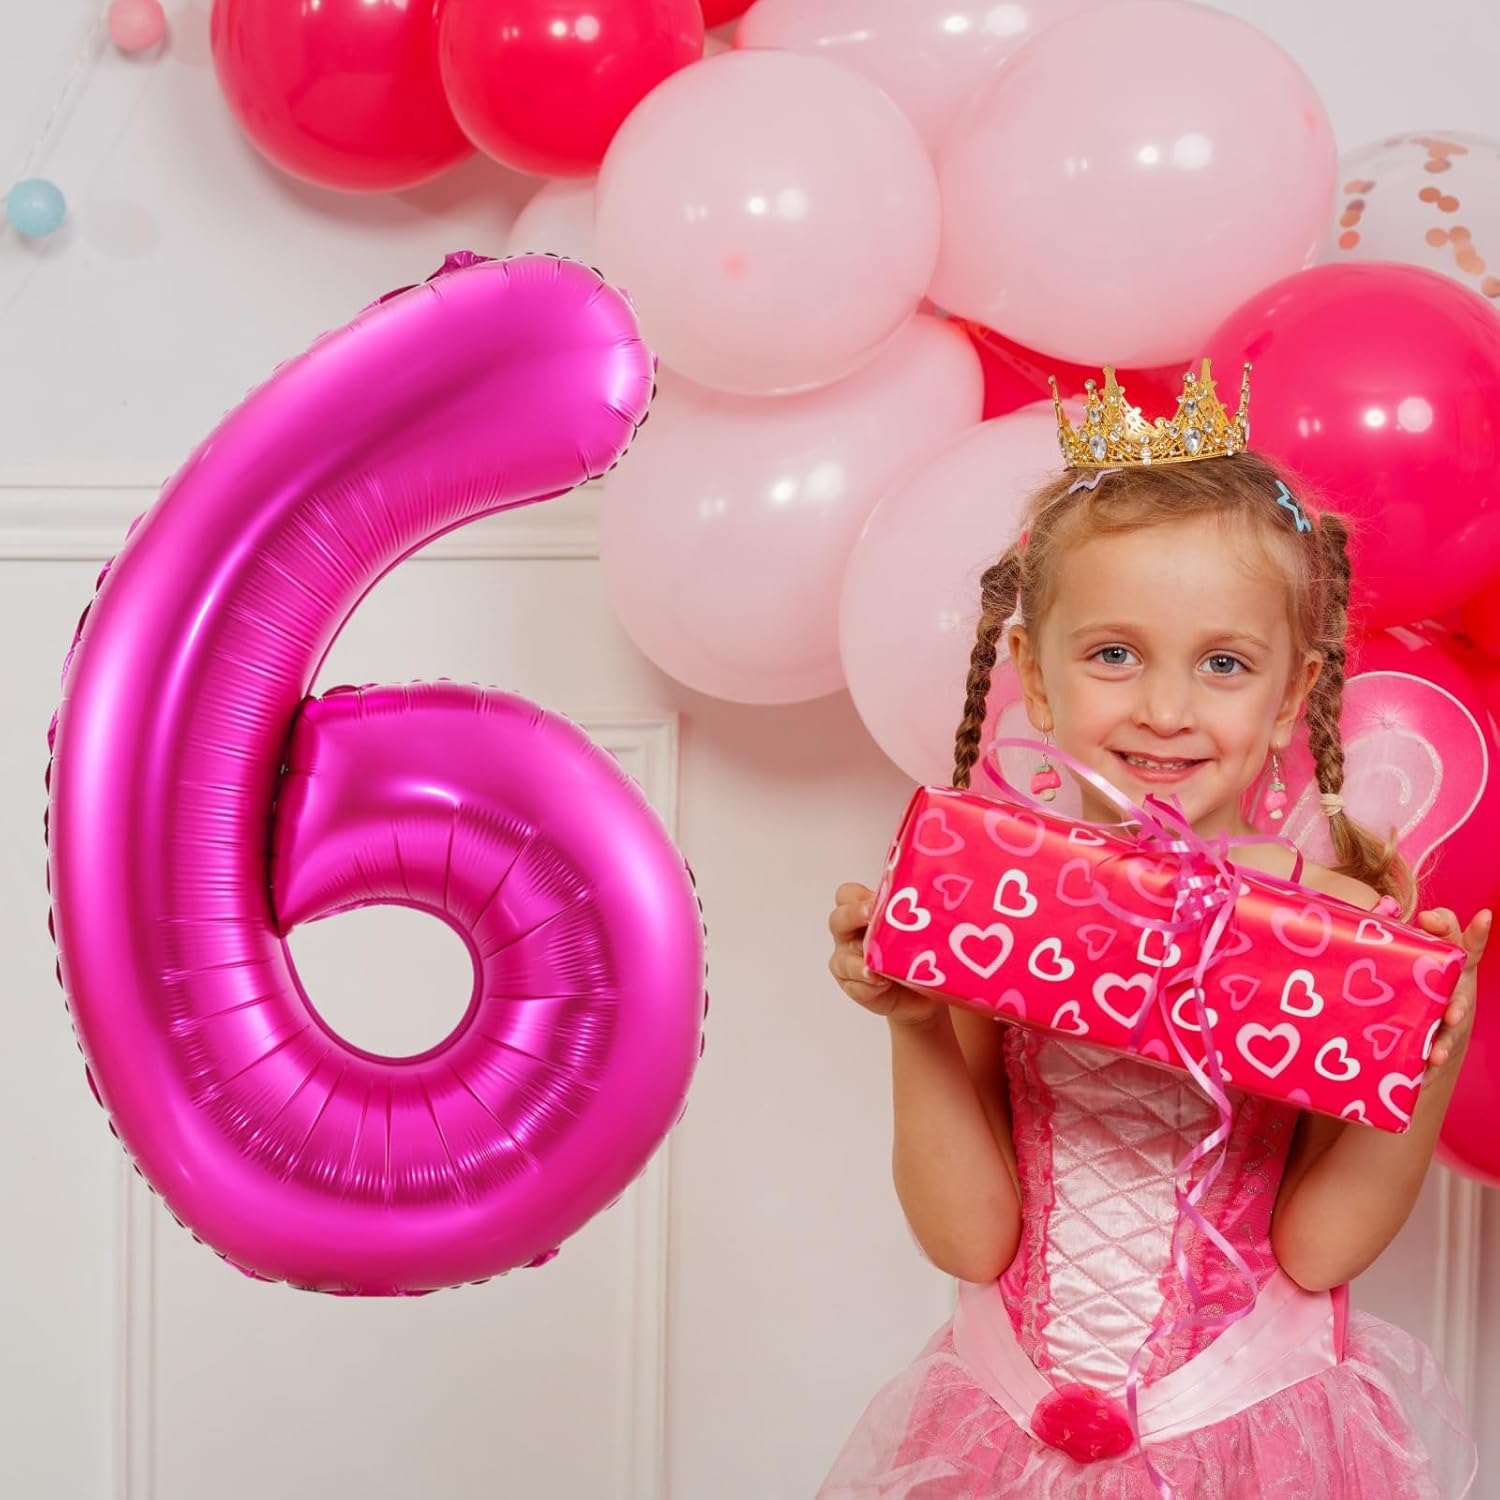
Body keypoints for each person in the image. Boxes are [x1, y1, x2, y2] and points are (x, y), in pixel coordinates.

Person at [819, 363, 1487, 1497]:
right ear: (1034, 675)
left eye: (1223, 664)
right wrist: (918, 1019)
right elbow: (969, 1241)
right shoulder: (997, 899)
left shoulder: (1333, 929)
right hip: (1009, 1415)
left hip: (1246, 1420)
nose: (1166, 710)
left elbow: (1318, 1251)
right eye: (1114, 654)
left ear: (1290, 696)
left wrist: (1429, 1064)